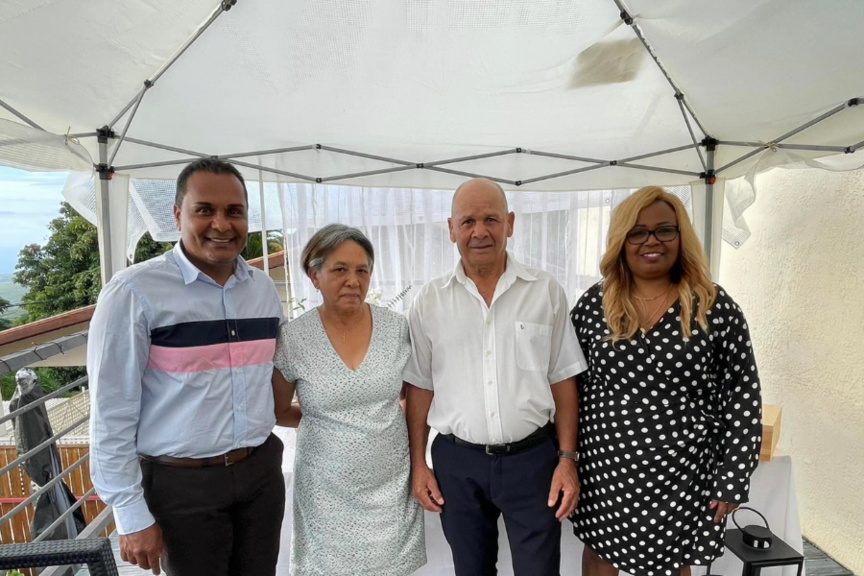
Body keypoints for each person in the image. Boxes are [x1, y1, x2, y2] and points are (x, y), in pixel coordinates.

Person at [88, 158, 286, 576]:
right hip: (181, 488)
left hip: (260, 475)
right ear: (178, 215)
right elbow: (111, 411)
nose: (221, 223)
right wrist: (129, 512)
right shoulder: (134, 292)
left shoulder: (262, 290)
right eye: (204, 210)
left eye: (234, 211)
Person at [569, 186, 762, 576]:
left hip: (684, 474)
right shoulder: (594, 305)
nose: (651, 241)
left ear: (681, 235)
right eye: (637, 232)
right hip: (607, 470)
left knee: (673, 565)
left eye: (664, 230)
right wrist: (563, 459)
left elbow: (743, 396)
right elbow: (568, 387)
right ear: (621, 242)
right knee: (600, 555)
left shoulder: (714, 306)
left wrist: (733, 477)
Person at [403, 178, 587, 576]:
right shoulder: (429, 302)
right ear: (450, 228)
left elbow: (563, 380)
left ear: (511, 223)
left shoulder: (545, 292)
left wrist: (567, 459)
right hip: (457, 462)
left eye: (491, 219)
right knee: (471, 570)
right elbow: (419, 385)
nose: (480, 231)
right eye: (467, 221)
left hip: (534, 461)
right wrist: (418, 463)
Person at [272, 224, 426, 576]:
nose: (353, 280)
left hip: (390, 489)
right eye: (340, 269)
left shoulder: (397, 329)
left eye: (362, 270)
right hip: (325, 494)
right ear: (314, 275)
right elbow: (279, 410)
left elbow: (409, 396)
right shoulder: (294, 338)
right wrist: (327, 420)